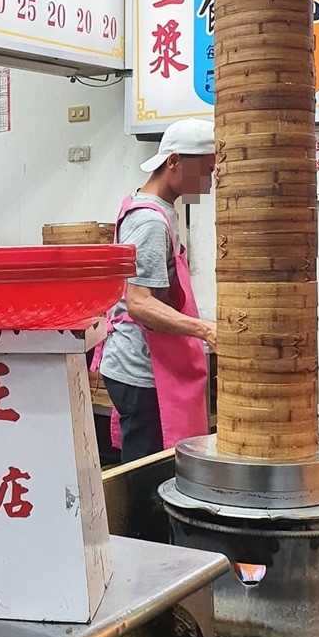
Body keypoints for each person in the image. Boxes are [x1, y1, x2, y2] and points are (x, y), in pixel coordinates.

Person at [96, 118, 216, 466]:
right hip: (140, 369)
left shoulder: (155, 207)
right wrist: (205, 330)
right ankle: (139, 523)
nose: (209, 182)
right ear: (174, 162)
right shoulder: (149, 221)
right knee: (148, 471)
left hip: (145, 359)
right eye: (205, 170)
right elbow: (140, 304)